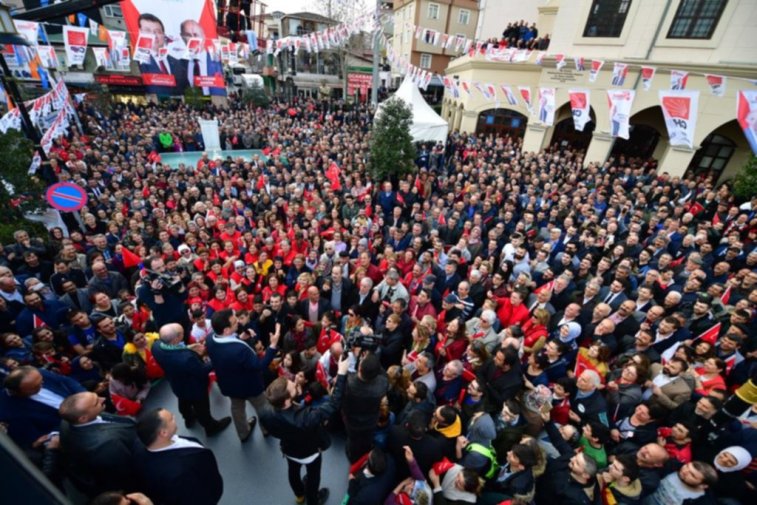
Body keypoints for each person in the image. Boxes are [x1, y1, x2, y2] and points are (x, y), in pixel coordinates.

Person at [260, 351, 350, 505]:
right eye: (292, 385)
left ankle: (299, 495)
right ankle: (313, 501)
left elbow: (274, 431)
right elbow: (334, 403)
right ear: (287, 400)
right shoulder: (306, 418)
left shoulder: (265, 412)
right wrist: (341, 373)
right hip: (310, 453)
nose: (295, 381)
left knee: (293, 471)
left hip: (288, 449)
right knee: (313, 477)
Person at [205, 308, 279, 442]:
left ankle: (243, 433)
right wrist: (272, 346)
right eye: (234, 322)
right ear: (226, 330)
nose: (238, 323)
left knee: (236, 408)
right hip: (251, 386)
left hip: (229, 385)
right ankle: (267, 429)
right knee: (262, 407)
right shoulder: (239, 350)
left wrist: (239, 338)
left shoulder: (210, 339)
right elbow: (259, 366)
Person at [151, 323, 231, 436]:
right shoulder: (185, 358)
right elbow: (202, 371)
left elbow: (173, 351)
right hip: (195, 387)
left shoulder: (156, 346)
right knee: (202, 408)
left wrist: (188, 347)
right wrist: (215, 359)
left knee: (183, 402)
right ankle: (210, 427)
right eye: (182, 333)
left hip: (176, 383)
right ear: (176, 338)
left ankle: (188, 418)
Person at [134, 408, 223, 505]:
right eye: (171, 419)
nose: (174, 417)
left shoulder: (142, 446)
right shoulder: (180, 474)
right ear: (163, 433)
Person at [58, 392, 139, 498]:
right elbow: (128, 472)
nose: (103, 399)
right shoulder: (106, 445)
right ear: (83, 418)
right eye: (96, 402)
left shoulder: (68, 422)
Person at [342, 351, 389, 462]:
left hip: (352, 421)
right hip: (371, 420)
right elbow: (382, 374)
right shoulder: (382, 384)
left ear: (359, 368)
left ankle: (353, 456)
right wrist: (372, 361)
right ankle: (364, 453)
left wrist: (364, 359)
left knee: (353, 440)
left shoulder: (349, 383)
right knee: (367, 438)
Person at [175, 19, 225, 96]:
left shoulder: (216, 61)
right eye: (188, 35)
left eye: (195, 35)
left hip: (214, 102)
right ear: (182, 37)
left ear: (203, 37)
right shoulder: (178, 65)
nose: (193, 39)